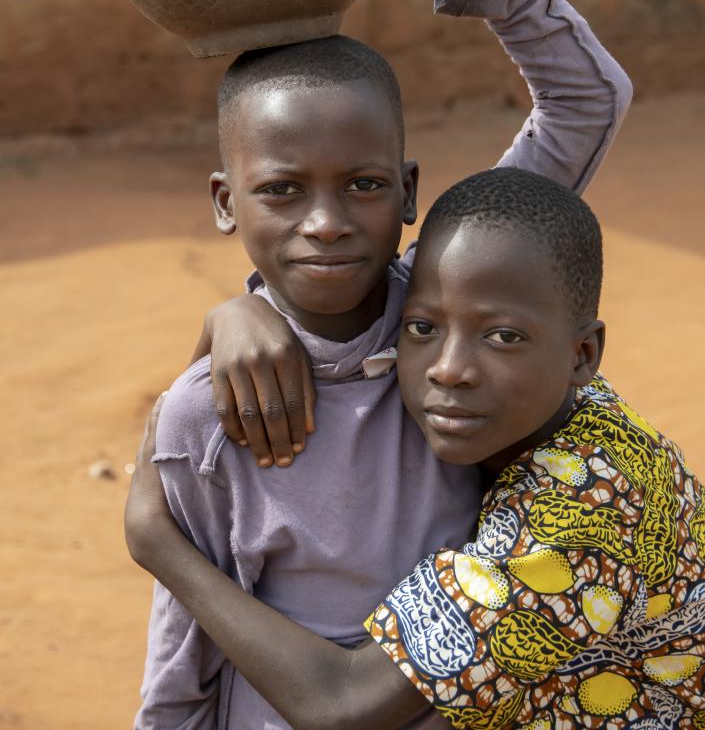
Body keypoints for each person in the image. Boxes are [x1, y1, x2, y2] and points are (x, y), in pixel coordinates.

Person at [134, 0, 632, 729]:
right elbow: (185, 645)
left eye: (363, 185)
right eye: (280, 190)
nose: (326, 223)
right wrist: (233, 318)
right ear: (224, 201)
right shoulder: (205, 414)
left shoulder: (449, 312)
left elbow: (586, 98)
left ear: (406, 191)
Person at [127, 168, 705, 730]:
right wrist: (236, 313)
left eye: (503, 337)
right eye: (423, 328)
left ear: (583, 354)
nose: (450, 370)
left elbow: (341, 704)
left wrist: (159, 544)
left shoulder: (578, 520)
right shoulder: (546, 411)